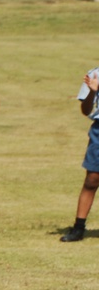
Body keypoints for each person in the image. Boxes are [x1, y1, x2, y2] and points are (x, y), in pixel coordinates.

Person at [60, 67, 99, 242]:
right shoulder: (95, 74)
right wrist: (92, 92)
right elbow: (85, 110)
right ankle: (78, 228)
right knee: (92, 178)